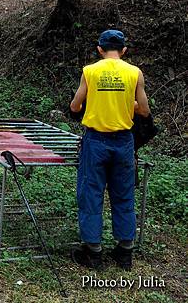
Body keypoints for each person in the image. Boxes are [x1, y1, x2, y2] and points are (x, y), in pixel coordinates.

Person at [69, 29, 150, 270]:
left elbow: (75, 105)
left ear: (100, 49)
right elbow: (144, 110)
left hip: (96, 142)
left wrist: (96, 100)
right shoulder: (135, 73)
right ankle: (125, 252)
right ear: (124, 50)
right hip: (124, 142)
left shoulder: (90, 71)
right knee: (124, 195)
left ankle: (93, 252)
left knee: (91, 194)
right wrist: (126, 103)